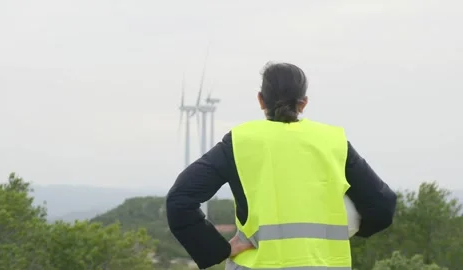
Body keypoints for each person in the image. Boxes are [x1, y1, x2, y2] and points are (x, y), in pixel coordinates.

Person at [166, 62, 397, 269]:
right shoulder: (333, 142)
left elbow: (180, 200)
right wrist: (345, 231)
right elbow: (382, 207)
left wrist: (217, 249)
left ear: (260, 100)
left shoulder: (240, 142)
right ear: (303, 103)